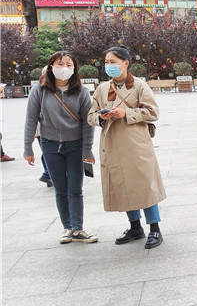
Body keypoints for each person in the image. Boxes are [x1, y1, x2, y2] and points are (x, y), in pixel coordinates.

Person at [88, 46, 166, 249]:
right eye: (106, 62)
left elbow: (153, 112)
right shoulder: (102, 89)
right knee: (123, 185)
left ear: (125, 64)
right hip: (113, 144)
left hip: (137, 144)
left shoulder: (140, 86)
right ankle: (135, 227)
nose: (109, 65)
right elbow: (90, 115)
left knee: (145, 185)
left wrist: (126, 113)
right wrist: (101, 117)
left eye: (113, 62)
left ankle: (155, 229)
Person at [23, 51, 97, 244]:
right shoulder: (40, 90)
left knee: (75, 188)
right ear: (51, 67)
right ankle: (67, 227)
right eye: (60, 64)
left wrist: (87, 149)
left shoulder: (81, 92)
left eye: (69, 65)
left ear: (74, 69)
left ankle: (78, 229)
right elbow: (31, 119)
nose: (64, 68)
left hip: (75, 145)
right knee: (60, 189)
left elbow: (88, 123)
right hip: (49, 144)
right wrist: (27, 147)